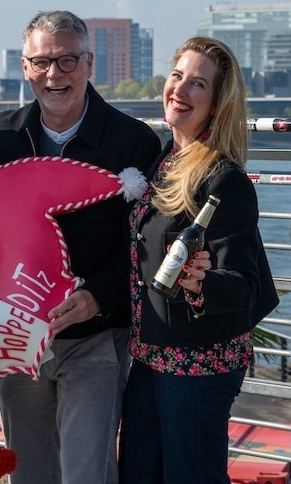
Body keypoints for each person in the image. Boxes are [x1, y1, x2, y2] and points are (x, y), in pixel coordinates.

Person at [0, 10, 162, 484]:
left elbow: (147, 245)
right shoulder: (2, 136)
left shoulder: (134, 142)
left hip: (98, 337)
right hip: (18, 334)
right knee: (30, 471)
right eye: (42, 62)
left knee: (88, 473)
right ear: (25, 67)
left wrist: (99, 297)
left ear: (89, 63)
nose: (54, 75)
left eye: (67, 61)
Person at [117, 36, 279, 484]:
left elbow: (245, 284)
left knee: (191, 475)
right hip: (151, 351)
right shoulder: (164, 159)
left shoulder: (224, 179)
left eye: (198, 85)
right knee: (138, 471)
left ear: (217, 103)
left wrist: (200, 283)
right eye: (177, 76)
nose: (180, 90)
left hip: (198, 359)